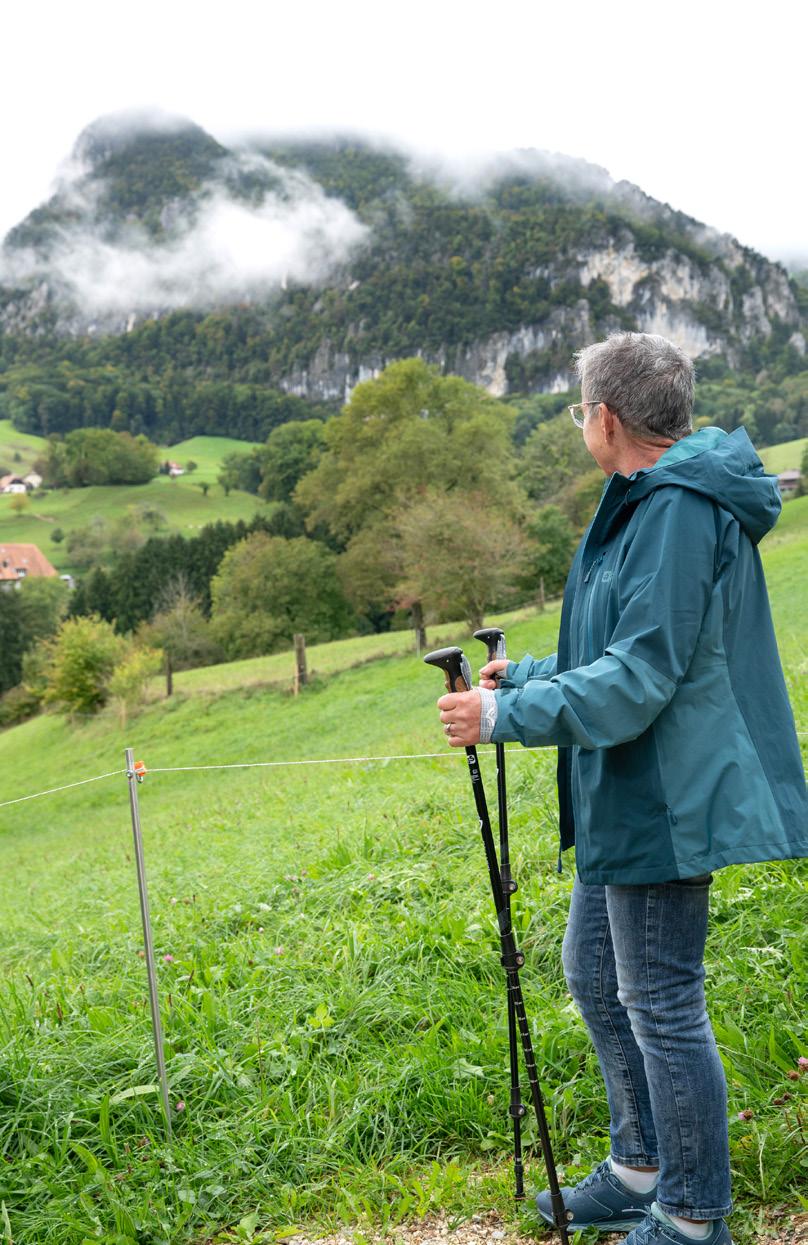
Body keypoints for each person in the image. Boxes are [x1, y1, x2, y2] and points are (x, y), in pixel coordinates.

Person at [436, 332, 808, 1245]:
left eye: (579, 411)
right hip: (630, 784)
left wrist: (501, 716)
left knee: (661, 1001)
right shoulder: (643, 500)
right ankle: (643, 1166)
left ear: (605, 417)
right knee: (597, 975)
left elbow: (639, 679)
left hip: (667, 792)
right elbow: (618, 643)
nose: (582, 425)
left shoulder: (676, 509)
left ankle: (691, 1217)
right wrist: (527, 675)